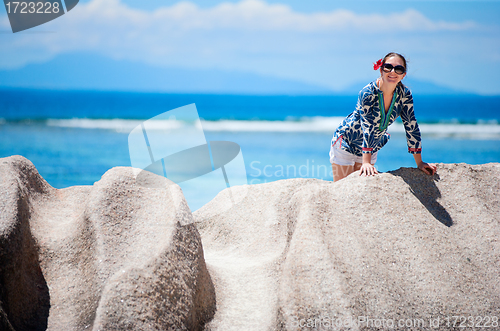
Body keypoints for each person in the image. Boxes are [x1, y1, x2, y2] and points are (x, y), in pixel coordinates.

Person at [329, 52, 436, 182]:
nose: (393, 72)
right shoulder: (368, 93)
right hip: (346, 143)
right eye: (388, 67)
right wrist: (366, 162)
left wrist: (419, 162)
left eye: (398, 69)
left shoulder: (405, 95)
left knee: (361, 190)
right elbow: (368, 126)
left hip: (371, 146)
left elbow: (411, 126)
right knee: (342, 190)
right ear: (381, 70)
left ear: (403, 75)